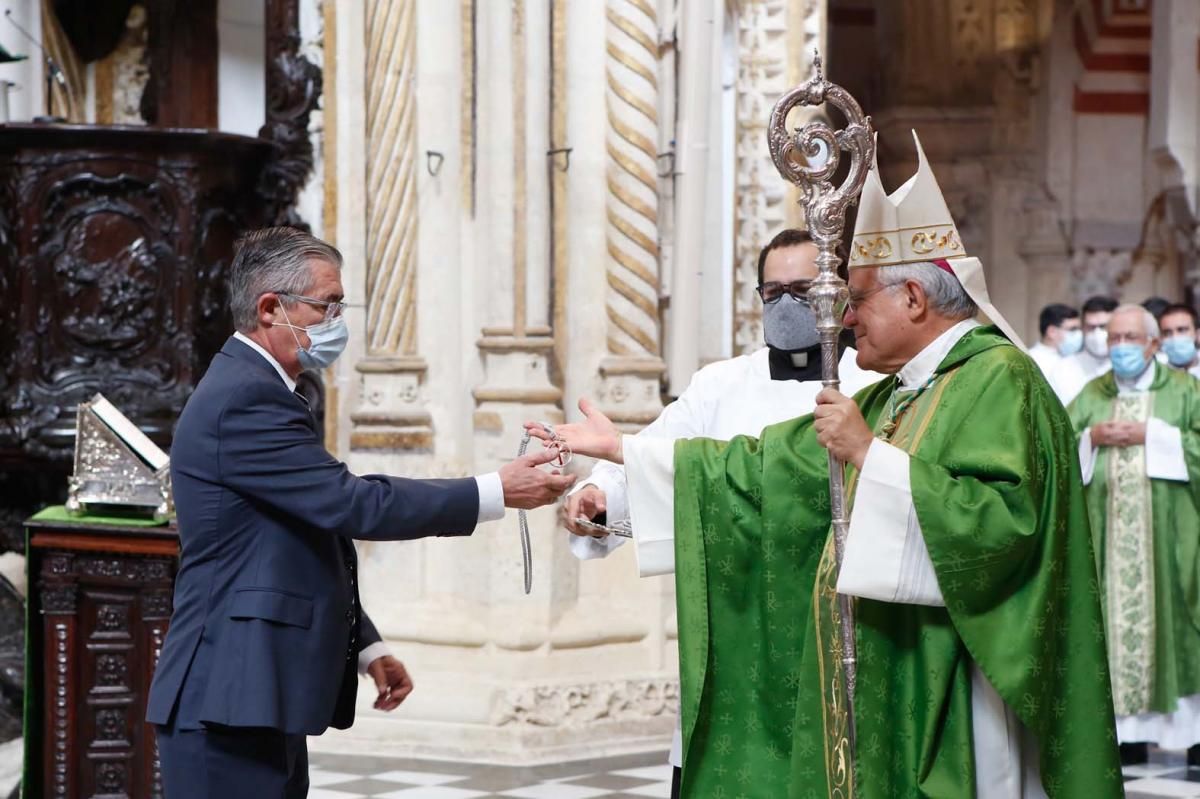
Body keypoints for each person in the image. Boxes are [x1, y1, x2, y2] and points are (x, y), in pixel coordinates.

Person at [533, 132, 1121, 797]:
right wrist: (622, 454)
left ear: (915, 301)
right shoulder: (903, 390)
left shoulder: (999, 380)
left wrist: (870, 454)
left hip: (962, 680)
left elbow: (1005, 529)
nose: (842, 315)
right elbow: (765, 467)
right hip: (895, 672)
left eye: (859, 297)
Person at [147, 228, 575, 799]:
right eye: (328, 305)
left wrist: (365, 644)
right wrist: (494, 490)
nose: (337, 321)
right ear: (270, 308)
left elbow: (299, 535)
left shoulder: (262, 388)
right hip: (223, 695)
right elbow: (352, 504)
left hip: (252, 691)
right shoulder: (244, 399)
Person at [564, 228, 881, 797]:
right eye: (773, 292)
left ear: (837, 295)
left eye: (803, 290)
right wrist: (599, 496)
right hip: (736, 619)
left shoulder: (877, 383)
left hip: (836, 621)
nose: (786, 304)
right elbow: (661, 457)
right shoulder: (720, 383)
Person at [1067, 304, 1200, 766]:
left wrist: (1154, 434)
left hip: (1170, 538)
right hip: (1105, 539)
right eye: (1114, 339)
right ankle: (1125, 737)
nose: (1120, 347)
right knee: (1109, 628)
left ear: (1153, 344)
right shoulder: (1091, 393)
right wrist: (1090, 438)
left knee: (1179, 623)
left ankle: (1191, 734)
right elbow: (1057, 445)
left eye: (1129, 338)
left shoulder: (1185, 392)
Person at [1050, 295, 1118, 404]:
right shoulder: (1063, 369)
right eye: (1091, 327)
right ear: (1082, 327)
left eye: (1103, 326)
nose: (1097, 333)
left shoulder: (1128, 366)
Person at [1028, 303, 1081, 378]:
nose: (1079, 334)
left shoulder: (1069, 358)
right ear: (1052, 332)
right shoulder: (1032, 362)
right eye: (1072, 329)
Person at [1159, 303, 1200, 378]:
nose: (1174, 337)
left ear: (1197, 334)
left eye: (1182, 330)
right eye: (1167, 333)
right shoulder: (1156, 379)